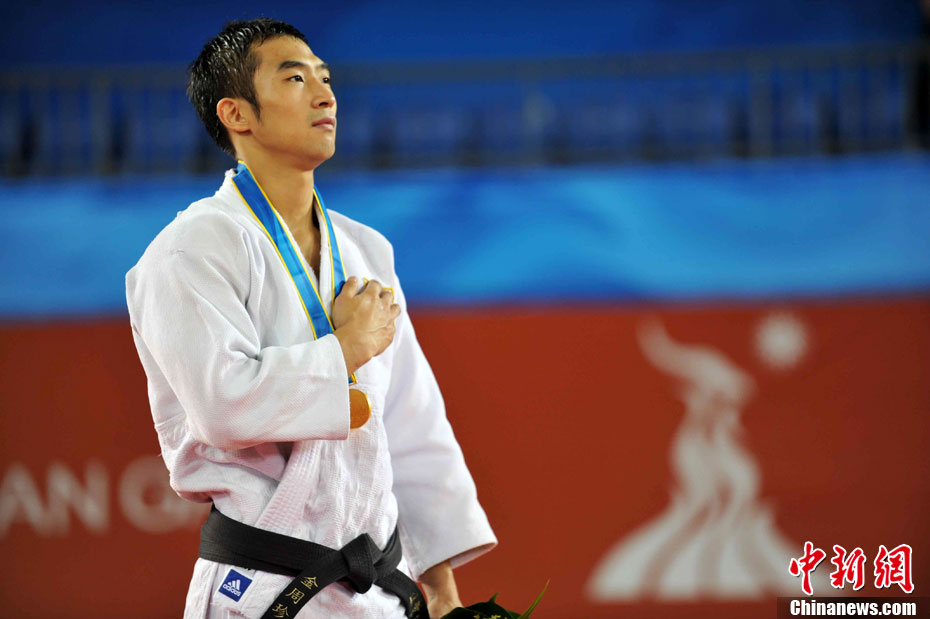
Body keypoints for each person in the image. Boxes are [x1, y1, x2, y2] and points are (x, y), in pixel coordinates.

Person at [125, 18, 496, 619]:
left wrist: (442, 587)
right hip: (262, 588)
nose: (326, 95)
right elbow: (223, 405)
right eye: (295, 78)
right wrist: (347, 347)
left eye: (325, 78)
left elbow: (411, 423)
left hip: (379, 591)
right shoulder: (189, 250)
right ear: (236, 114)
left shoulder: (366, 250)